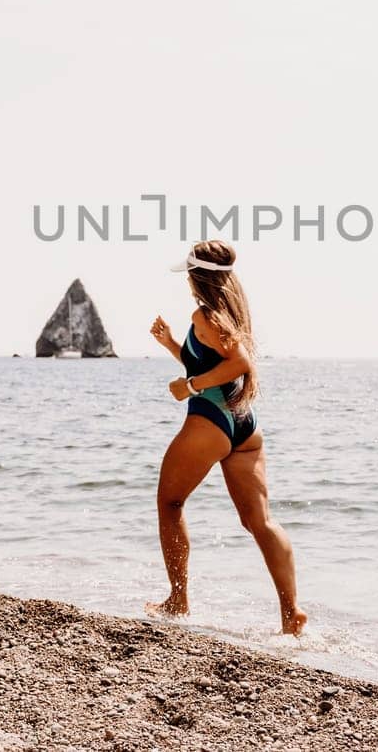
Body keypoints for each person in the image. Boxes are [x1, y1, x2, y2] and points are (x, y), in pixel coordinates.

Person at [146, 240, 307, 635]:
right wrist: (172, 345)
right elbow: (216, 360)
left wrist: (190, 386)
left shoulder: (205, 314)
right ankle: (292, 613)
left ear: (195, 276)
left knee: (170, 503)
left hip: (212, 421)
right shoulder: (234, 313)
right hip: (245, 426)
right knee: (260, 522)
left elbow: (239, 363)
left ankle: (178, 599)